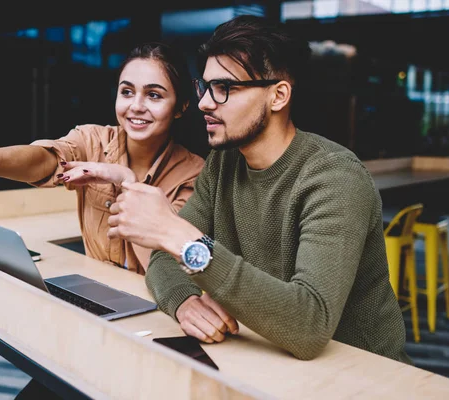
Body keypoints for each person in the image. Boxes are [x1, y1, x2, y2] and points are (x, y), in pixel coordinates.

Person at [106, 15, 411, 364]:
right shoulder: (224, 164)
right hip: (270, 360)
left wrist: (178, 235)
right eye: (204, 87)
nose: (205, 102)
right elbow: (164, 258)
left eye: (225, 88)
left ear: (278, 95)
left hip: (362, 375)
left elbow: (309, 326)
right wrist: (184, 301)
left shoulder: (335, 177)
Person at [0, 42, 205, 275]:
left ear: (181, 107)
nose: (136, 105)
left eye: (154, 95)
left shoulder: (195, 175)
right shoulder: (93, 139)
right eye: (127, 91)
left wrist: (126, 182)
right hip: (95, 296)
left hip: (156, 316)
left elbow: (167, 272)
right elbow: (46, 160)